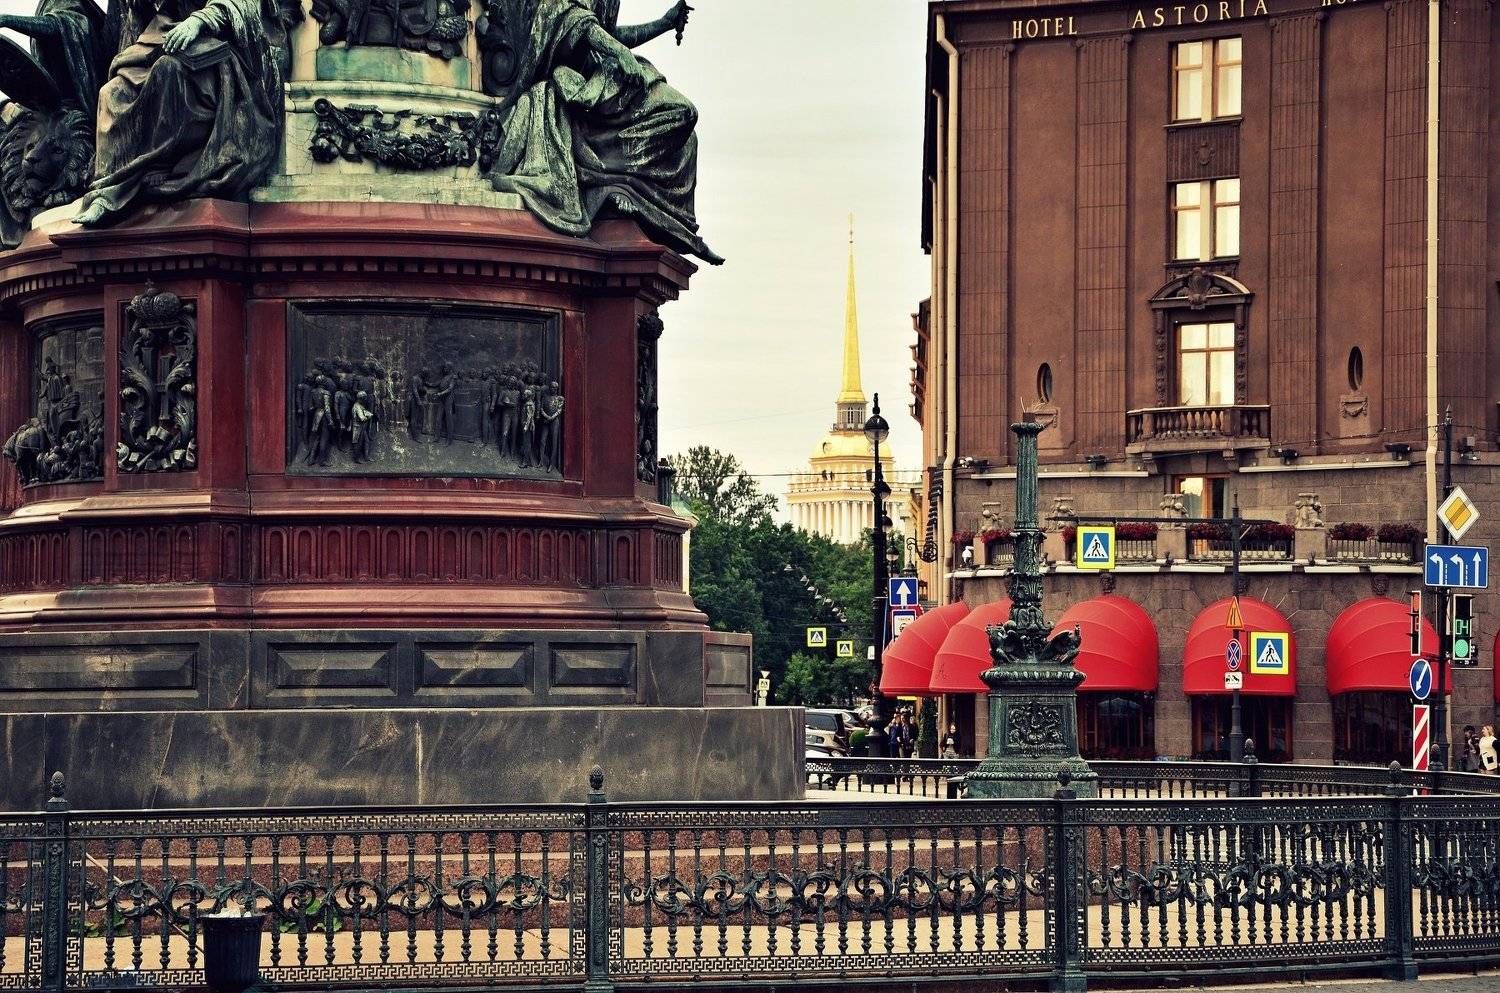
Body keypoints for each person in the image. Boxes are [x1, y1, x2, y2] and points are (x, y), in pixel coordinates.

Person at [482, 0, 721, 264]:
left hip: (602, 75)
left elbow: (604, 32)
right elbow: (570, 17)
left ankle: (630, 191)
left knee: (685, 137)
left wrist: (663, 24)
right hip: (580, 83)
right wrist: (620, 53)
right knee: (682, 112)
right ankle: (610, 181)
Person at [74, 0, 297, 226]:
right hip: (166, 36)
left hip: (222, 46)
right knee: (112, 92)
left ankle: (153, 168)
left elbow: (245, 6)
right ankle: (106, 189)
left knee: (168, 70)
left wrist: (199, 21)